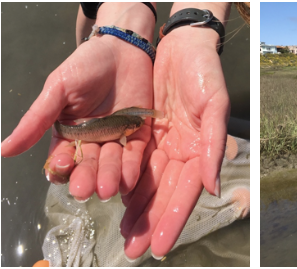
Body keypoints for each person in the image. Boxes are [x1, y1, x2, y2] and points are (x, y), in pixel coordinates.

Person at [0, 2, 237, 261]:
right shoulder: (125, 127)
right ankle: (93, 40)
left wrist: (190, 35)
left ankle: (97, 34)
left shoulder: (126, 123)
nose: (138, 128)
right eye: (134, 127)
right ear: (127, 128)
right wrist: (118, 28)